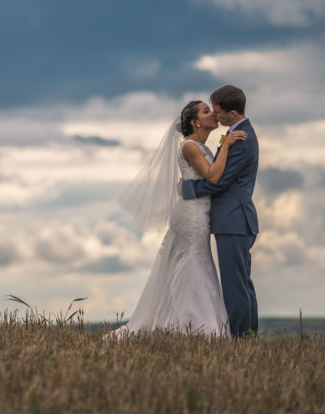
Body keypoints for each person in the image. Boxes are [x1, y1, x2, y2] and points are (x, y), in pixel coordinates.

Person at [107, 98, 246, 340]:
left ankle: (184, 324)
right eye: (206, 111)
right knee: (193, 260)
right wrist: (226, 146)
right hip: (191, 213)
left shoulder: (201, 148)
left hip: (198, 211)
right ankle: (192, 327)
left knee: (195, 261)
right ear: (194, 122)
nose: (213, 114)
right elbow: (213, 177)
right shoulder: (189, 146)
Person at [180, 85, 259, 338]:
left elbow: (221, 181)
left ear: (232, 113)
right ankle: (248, 336)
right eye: (210, 111)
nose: (215, 115)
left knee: (235, 286)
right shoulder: (238, 133)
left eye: (217, 111)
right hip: (234, 220)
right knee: (242, 283)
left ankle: (240, 339)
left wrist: (187, 189)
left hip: (233, 220)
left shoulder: (242, 140)